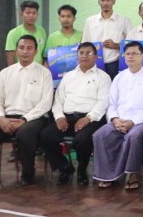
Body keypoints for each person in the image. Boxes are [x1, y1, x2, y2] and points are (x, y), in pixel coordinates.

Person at [0, 35, 53, 186]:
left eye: (29, 48)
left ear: (36, 51)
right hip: (7, 118)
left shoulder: (44, 73)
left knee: (25, 134)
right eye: (21, 48)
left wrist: (24, 120)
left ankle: (28, 174)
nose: (25, 51)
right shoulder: (5, 73)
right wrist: (0, 118)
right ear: (16, 50)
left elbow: (46, 103)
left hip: (33, 118)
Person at [92, 41, 143, 190]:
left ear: (142, 56)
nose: (130, 57)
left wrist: (132, 122)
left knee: (134, 136)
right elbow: (111, 104)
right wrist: (115, 119)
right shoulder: (119, 77)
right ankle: (106, 175)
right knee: (100, 135)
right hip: (119, 121)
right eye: (127, 54)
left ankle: (132, 173)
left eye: (134, 53)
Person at [40, 42, 110, 186]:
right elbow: (58, 101)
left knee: (83, 140)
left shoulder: (103, 77)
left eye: (88, 53)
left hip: (91, 119)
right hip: (68, 117)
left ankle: (82, 170)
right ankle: (64, 167)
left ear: (95, 57)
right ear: (77, 56)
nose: (84, 56)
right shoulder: (68, 76)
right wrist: (59, 117)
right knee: (46, 135)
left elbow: (103, 103)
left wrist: (88, 118)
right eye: (81, 53)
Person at [82, 0, 133, 78]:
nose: (105, 3)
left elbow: (132, 45)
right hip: (95, 63)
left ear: (114, 2)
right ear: (99, 2)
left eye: (108, 0)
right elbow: (85, 44)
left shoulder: (124, 20)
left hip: (116, 64)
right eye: (102, 0)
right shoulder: (90, 21)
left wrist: (117, 45)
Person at [5, 0, 47, 65]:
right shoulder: (13, 33)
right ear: (21, 14)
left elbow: (44, 55)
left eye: (34, 13)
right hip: (21, 70)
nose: (31, 16)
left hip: (38, 70)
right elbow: (10, 59)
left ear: (37, 14)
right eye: (28, 13)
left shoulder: (42, 31)